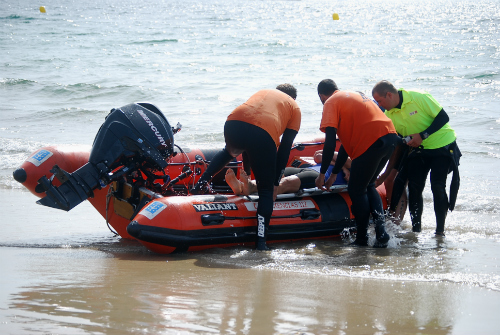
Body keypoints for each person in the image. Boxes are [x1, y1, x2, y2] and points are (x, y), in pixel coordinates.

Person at [192, 84, 301, 250]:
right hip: (262, 133)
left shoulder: (265, 92)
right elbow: (285, 148)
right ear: (292, 98)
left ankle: (198, 186)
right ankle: (261, 242)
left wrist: (248, 172)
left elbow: (250, 132)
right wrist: (275, 182)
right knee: (266, 190)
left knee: (229, 151)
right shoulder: (294, 107)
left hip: (233, 122)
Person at [314, 79, 400, 247]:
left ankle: (362, 238)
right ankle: (381, 234)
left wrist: (322, 174)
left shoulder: (330, 102)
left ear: (321, 96)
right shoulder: (356, 95)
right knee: (368, 185)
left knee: (356, 189)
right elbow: (346, 145)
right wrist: (333, 174)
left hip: (371, 141)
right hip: (389, 137)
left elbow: (330, 143)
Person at [372, 80, 461, 236]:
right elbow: (397, 144)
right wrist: (383, 172)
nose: (379, 104)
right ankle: (416, 231)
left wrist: (423, 135)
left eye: (379, 100)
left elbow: (443, 117)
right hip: (419, 150)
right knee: (414, 187)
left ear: (389, 95)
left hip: (442, 146)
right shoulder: (389, 114)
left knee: (437, 187)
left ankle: (440, 232)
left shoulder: (418, 97)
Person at [225, 150, 351, 196]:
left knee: (286, 182)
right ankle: (242, 187)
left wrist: (343, 165)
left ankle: (250, 188)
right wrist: (340, 166)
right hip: (310, 168)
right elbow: (318, 155)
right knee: (277, 173)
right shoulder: (345, 163)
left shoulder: (355, 164)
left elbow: (342, 158)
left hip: (319, 178)